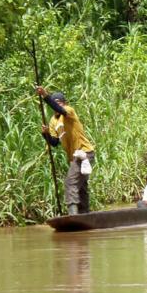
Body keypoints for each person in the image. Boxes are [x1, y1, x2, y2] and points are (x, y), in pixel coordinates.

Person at [37, 86, 95, 216]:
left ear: (64, 103)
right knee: (81, 187)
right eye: (55, 102)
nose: (57, 106)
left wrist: (46, 96)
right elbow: (55, 142)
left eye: (59, 103)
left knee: (70, 182)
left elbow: (59, 109)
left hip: (85, 153)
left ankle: (73, 215)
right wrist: (45, 134)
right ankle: (85, 214)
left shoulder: (68, 111)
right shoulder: (53, 121)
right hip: (73, 157)